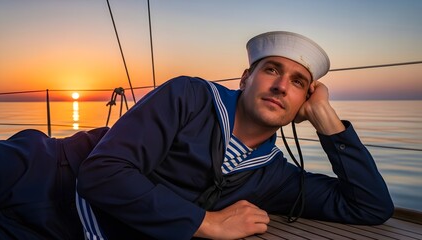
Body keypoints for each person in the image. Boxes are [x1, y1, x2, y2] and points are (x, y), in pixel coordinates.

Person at [75, 31, 394, 239]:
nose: (281, 86)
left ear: (304, 102)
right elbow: (101, 173)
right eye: (271, 69)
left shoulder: (274, 175)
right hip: (45, 191)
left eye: (298, 82)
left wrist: (328, 122)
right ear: (245, 79)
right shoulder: (189, 97)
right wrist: (207, 222)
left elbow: (369, 207)